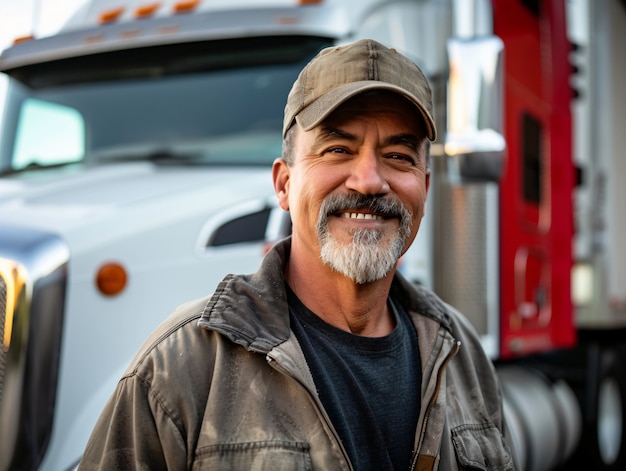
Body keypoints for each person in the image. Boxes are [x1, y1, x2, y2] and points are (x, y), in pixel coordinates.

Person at [79, 39, 517, 470]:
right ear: (284, 184)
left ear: (423, 186)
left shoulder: (459, 352)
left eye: (398, 156)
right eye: (338, 150)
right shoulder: (184, 365)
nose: (368, 181)